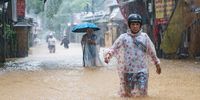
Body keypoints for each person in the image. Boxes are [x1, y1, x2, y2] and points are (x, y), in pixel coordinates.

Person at [104, 13, 161, 97]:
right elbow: (114, 48)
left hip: (142, 70)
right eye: (133, 24)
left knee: (142, 92)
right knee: (128, 94)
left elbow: (151, 51)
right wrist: (108, 55)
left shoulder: (144, 37)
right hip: (128, 71)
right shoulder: (123, 37)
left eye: (137, 24)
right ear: (129, 25)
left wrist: (157, 64)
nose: (135, 26)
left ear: (140, 25)